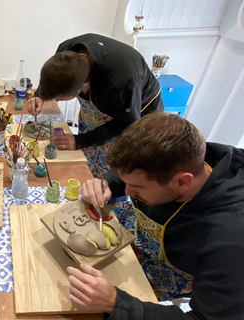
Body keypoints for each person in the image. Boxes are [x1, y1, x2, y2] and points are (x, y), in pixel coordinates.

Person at [69, 112, 244, 319]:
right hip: (138, 249)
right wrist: (107, 182)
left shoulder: (230, 240)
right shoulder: (183, 157)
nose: (127, 193)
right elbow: (134, 172)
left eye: (137, 188)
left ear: (182, 182)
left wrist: (118, 304)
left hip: (169, 277)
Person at [28, 34, 164, 176]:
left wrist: (81, 141)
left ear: (82, 88)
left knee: (112, 166)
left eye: (59, 99)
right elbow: (51, 77)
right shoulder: (66, 51)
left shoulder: (120, 83)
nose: (56, 101)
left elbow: (126, 122)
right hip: (108, 98)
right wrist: (39, 95)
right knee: (86, 157)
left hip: (135, 110)